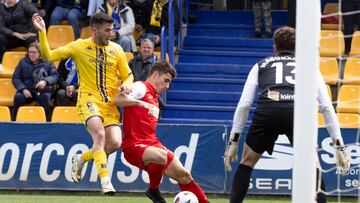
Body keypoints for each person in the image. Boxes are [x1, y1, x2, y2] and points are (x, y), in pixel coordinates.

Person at [224, 26, 350, 203]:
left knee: (247, 161)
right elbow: (326, 107)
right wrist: (339, 145)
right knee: (312, 164)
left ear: (274, 48)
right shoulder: (309, 67)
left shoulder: (261, 65)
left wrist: (233, 141)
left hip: (268, 110)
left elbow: (244, 104)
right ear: (298, 48)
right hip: (297, 111)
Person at [33, 12, 134, 195]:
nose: (111, 34)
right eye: (107, 30)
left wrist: (126, 86)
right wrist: (41, 32)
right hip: (88, 99)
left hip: (110, 103)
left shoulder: (117, 50)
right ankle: (105, 182)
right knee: (99, 135)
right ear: (94, 30)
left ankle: (81, 159)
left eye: (112, 30)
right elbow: (48, 56)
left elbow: (128, 75)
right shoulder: (79, 46)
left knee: (116, 143)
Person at [113, 61, 209, 203]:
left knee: (184, 175)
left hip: (152, 143)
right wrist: (138, 101)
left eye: (169, 83)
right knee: (161, 156)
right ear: (155, 74)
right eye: (166, 81)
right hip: (134, 146)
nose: (167, 86)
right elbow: (117, 99)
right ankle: (153, 190)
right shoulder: (141, 88)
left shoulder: (155, 98)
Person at [12, 41, 58, 121]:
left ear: (40, 53)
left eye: (34, 52)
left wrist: (45, 81)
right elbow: (16, 78)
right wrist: (23, 89)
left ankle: (47, 122)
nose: (31, 54)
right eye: (30, 52)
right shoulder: (22, 62)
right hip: (27, 90)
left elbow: (55, 76)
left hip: (43, 90)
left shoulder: (48, 61)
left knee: (46, 98)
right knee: (18, 97)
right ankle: (14, 122)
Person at [0, 0, 39, 68]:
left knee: (34, 43)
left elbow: (36, 13)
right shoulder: (1, 9)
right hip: (13, 36)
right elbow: (1, 27)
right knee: (0, 39)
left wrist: (33, 30)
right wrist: (14, 34)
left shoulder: (24, 4)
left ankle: (32, 66)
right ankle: (6, 62)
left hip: (28, 34)